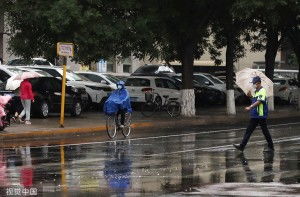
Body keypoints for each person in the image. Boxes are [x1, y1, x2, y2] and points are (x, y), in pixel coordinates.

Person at [233, 76, 274, 152]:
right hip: (255, 115)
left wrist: (250, 107)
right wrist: (250, 96)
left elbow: (259, 101)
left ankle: (271, 146)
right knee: (249, 130)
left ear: (258, 83)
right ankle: (242, 146)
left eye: (254, 83)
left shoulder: (262, 90)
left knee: (265, 131)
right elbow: (255, 99)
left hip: (261, 115)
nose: (253, 85)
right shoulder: (256, 91)